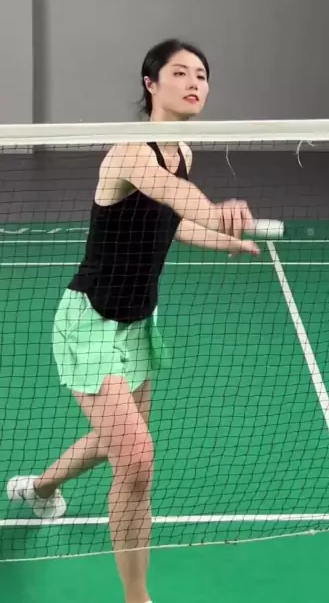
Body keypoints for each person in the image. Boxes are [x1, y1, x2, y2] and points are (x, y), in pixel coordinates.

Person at [7, 39, 259, 603]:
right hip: (89, 322)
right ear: (151, 84)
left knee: (116, 441)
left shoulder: (182, 151)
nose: (194, 83)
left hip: (137, 323)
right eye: (180, 72)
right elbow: (174, 194)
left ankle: (39, 489)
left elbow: (169, 221)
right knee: (138, 459)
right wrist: (215, 211)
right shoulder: (130, 151)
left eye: (202, 75)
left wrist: (217, 238)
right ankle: (137, 597)